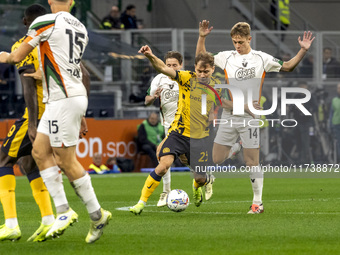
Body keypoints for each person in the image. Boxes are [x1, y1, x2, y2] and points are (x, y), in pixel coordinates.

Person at [0, 0, 111, 244]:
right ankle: (63, 211)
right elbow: (72, 67)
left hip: (64, 98)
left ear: (50, 1)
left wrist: (5, 56)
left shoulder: (44, 21)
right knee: (39, 151)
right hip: (64, 97)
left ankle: (97, 214)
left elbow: (17, 57)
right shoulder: (80, 26)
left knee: (66, 160)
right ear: (71, 2)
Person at [197, 20, 315, 214]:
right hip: (228, 113)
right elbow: (201, 58)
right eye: (235, 41)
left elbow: (287, 67)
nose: (237, 45)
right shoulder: (226, 57)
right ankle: (237, 147)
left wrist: (303, 50)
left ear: (249, 39)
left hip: (249, 116)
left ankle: (257, 203)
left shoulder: (261, 58)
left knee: (251, 162)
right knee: (216, 159)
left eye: (241, 41)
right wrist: (202, 37)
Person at [129, 45, 220, 215]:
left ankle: (200, 183)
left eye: (205, 71)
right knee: (163, 164)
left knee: (198, 176)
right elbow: (160, 72)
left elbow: (222, 103)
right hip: (175, 130)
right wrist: (149, 56)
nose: (201, 74)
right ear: (194, 69)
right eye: (199, 71)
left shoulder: (213, 85)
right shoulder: (179, 78)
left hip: (199, 137)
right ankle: (144, 201)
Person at [0, 4, 55, 242]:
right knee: (28, 163)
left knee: (3, 159)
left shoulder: (25, 44)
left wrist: (32, 123)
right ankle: (49, 220)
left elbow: (28, 85)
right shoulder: (55, 44)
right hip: (59, 111)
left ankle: (11, 223)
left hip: (37, 113)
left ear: (26, 22)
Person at [329, 83, 340, 161]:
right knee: (339, 143)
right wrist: (330, 125)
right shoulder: (334, 100)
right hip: (337, 124)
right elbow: (331, 113)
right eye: (338, 88)